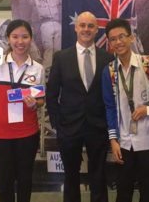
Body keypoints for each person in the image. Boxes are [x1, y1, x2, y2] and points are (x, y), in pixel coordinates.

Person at [0, 19, 45, 202]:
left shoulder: (37, 69)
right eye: (15, 37)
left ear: (31, 39)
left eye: (24, 37)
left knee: (25, 179)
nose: (20, 41)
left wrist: (34, 103)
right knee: (4, 181)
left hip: (27, 134)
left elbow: (41, 100)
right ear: (8, 39)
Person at [46, 11, 113, 202]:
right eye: (82, 25)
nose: (86, 29)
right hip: (68, 127)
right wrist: (58, 124)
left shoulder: (107, 59)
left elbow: (110, 94)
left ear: (97, 30)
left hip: (98, 126)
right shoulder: (61, 57)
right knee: (71, 175)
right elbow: (51, 94)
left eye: (91, 26)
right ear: (75, 27)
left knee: (99, 175)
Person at [101, 18, 149, 202]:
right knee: (123, 192)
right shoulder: (109, 71)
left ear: (131, 38)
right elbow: (109, 107)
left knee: (148, 191)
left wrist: (148, 108)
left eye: (122, 36)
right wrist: (113, 140)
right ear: (109, 43)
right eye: (113, 39)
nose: (118, 42)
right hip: (124, 142)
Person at [23, 0, 61, 68]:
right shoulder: (36, 0)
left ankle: (57, 68)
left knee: (58, 50)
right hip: (46, 25)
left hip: (57, 24)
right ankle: (47, 71)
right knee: (49, 49)